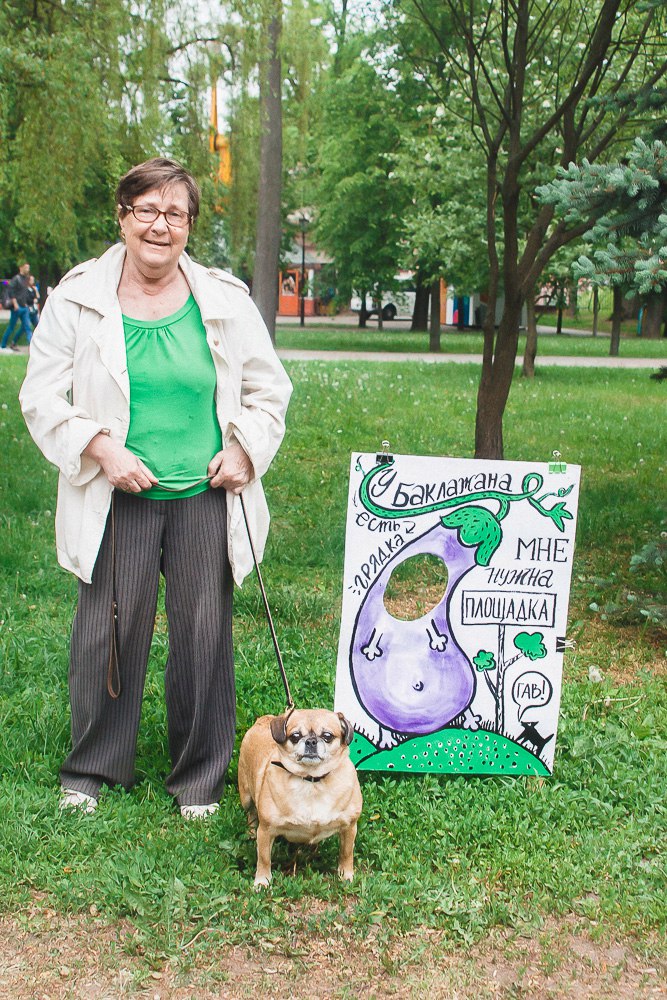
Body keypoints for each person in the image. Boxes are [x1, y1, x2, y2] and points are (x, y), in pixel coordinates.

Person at [19, 158, 292, 818]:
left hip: (203, 495)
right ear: (123, 217)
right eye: (146, 210)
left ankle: (198, 779)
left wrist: (244, 449)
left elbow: (269, 390)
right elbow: (40, 395)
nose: (159, 226)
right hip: (117, 496)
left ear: (190, 225)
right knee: (105, 635)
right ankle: (92, 769)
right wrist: (100, 447)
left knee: (203, 636)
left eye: (175, 213)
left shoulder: (224, 298)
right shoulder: (78, 296)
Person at [1, 261, 34, 350]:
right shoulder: (16, 279)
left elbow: (25, 293)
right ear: (21, 268)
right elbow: (11, 291)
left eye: (28, 268)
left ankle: (31, 346)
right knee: (11, 327)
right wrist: (15, 303)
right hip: (17, 307)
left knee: (27, 327)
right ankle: (3, 345)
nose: (28, 269)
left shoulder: (26, 279)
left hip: (24, 307)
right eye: (26, 267)